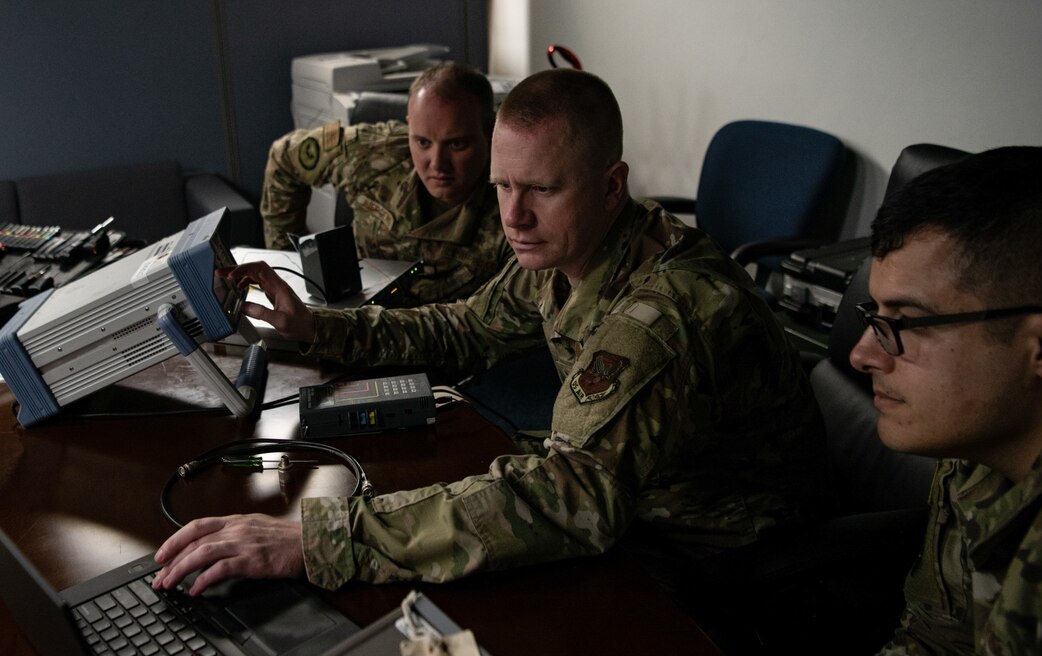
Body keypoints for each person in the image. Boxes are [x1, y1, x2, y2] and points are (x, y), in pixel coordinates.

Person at [152, 69, 825, 602]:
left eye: (541, 189)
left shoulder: (661, 316)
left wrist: (318, 539)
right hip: (625, 493)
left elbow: (569, 498)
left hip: (712, 550)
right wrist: (315, 326)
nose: (514, 216)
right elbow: (466, 326)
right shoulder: (569, 247)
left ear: (612, 186)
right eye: (502, 186)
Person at [781, 146, 1042, 656]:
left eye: (908, 323)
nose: (863, 353)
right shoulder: (976, 444)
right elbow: (945, 653)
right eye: (874, 315)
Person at [262, 61, 511, 305]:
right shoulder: (376, 152)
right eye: (422, 142)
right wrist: (291, 265)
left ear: (490, 131)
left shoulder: (514, 202)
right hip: (353, 318)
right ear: (409, 125)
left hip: (444, 330)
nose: (437, 164)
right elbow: (284, 157)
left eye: (457, 144)